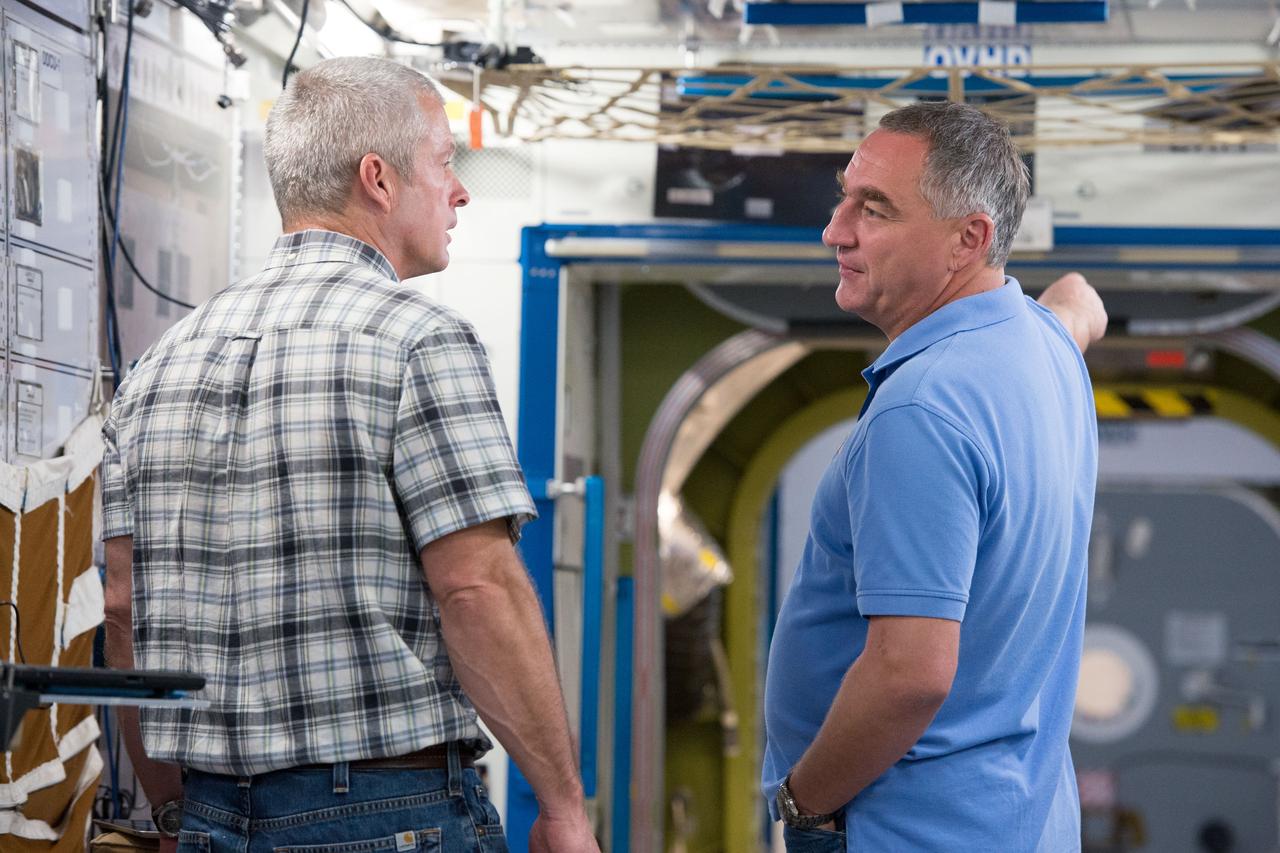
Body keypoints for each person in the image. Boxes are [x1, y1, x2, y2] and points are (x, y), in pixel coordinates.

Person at [101, 57, 598, 853]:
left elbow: (124, 608)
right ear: (378, 178)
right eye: (444, 162)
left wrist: (170, 810)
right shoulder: (420, 340)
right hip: (386, 813)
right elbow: (476, 586)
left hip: (208, 814)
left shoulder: (159, 366)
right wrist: (563, 805)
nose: (460, 191)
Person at [762, 101, 1107, 852]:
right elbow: (1081, 302)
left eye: (874, 209)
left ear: (969, 239)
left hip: (911, 827)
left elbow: (910, 675)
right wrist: (1069, 313)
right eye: (845, 198)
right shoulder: (1043, 347)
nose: (835, 230)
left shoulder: (920, 410)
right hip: (1021, 822)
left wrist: (803, 803)